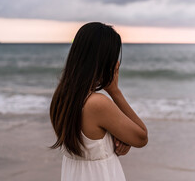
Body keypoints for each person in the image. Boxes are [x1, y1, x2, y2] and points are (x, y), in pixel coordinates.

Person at [49, 22, 148, 181]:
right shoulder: (97, 103)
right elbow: (141, 137)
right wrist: (115, 91)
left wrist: (120, 137)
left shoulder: (61, 98)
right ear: (105, 61)